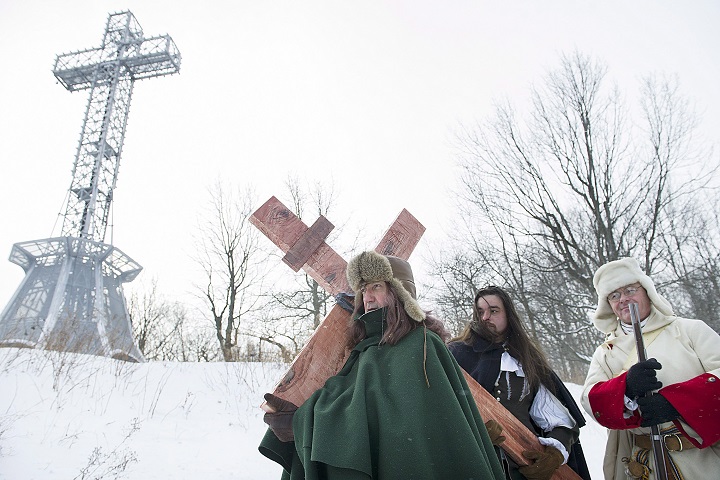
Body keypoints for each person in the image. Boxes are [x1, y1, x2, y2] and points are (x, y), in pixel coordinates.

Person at [258, 251, 505, 479]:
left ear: (400, 294)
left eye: (376, 286)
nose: (367, 297)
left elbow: (400, 431)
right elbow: (351, 406)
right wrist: (301, 419)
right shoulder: (366, 351)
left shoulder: (421, 346)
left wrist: (302, 426)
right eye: (363, 289)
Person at [581, 257, 720, 479]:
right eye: (614, 296)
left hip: (701, 460)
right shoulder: (604, 353)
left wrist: (675, 403)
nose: (624, 299)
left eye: (630, 290)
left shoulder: (689, 330)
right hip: (644, 465)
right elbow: (591, 399)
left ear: (646, 291)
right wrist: (625, 388)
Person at [448, 285, 591, 480]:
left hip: (522, 467)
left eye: (493, 311)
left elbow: (559, 419)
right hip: (475, 464)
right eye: (480, 311)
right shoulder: (456, 354)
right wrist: (469, 432)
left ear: (508, 314)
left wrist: (554, 453)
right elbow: (439, 410)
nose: (485, 317)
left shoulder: (526, 359)